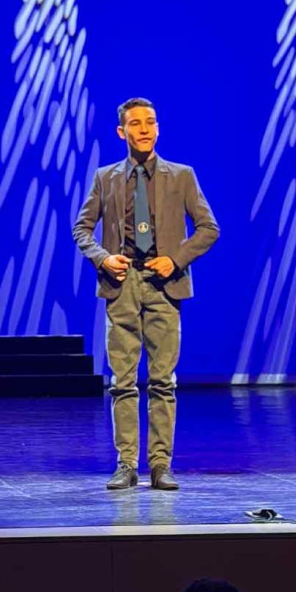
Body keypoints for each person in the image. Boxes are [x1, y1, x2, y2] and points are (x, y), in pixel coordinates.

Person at [74, 98, 219, 490]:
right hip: (121, 285)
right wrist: (103, 258)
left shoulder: (181, 176)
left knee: (162, 381)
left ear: (158, 128)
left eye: (150, 122)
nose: (144, 129)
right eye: (136, 124)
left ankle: (160, 465)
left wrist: (175, 259)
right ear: (121, 132)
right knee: (122, 382)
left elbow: (209, 228)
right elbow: (82, 229)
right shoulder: (106, 177)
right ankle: (126, 464)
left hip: (163, 284)